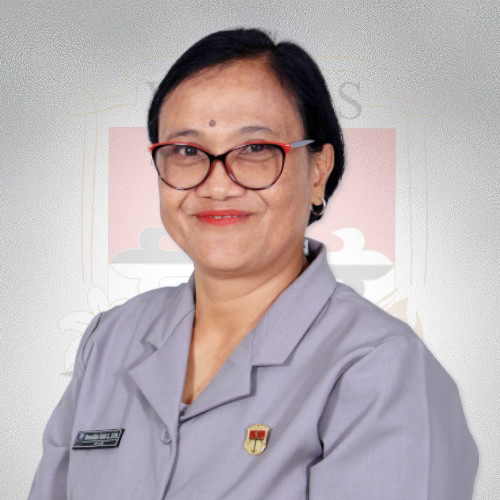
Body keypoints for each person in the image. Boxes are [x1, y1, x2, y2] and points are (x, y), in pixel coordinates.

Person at [29, 28, 479, 499]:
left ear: (318, 171)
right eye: (187, 151)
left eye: (256, 149)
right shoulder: (109, 342)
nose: (217, 185)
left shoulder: (381, 369)